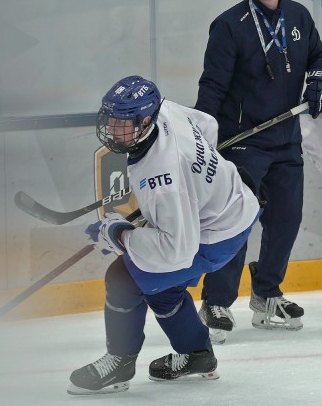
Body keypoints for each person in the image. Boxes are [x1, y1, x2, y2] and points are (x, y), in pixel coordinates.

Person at [67, 75, 261, 395]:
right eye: (111, 119)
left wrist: (119, 235)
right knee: (161, 286)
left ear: (145, 121)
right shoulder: (164, 111)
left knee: (124, 278)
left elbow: (177, 252)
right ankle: (196, 354)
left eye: (122, 123)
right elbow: (208, 124)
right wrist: (196, 187)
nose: (113, 129)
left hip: (218, 234)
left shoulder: (162, 178)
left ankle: (119, 363)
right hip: (234, 204)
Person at [194, 0, 322, 344]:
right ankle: (217, 300)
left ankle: (266, 292)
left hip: (284, 140)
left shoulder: (298, 16)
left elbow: (320, 59)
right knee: (237, 223)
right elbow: (212, 85)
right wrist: (201, 138)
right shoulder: (229, 25)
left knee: (286, 219)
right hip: (241, 142)